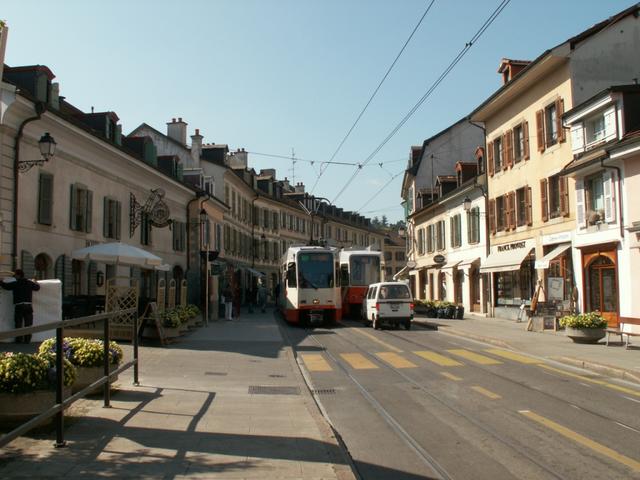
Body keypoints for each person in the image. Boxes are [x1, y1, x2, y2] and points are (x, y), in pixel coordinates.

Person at [1, 269, 40, 343]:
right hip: (28, 306)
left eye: (15, 275)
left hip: (19, 306)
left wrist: (1, 281)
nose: (14, 277)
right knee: (28, 324)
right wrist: (35, 281)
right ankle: (27, 340)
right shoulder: (29, 283)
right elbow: (37, 288)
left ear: (18, 275)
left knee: (18, 323)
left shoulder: (15, 283)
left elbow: (5, 286)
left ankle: (19, 340)